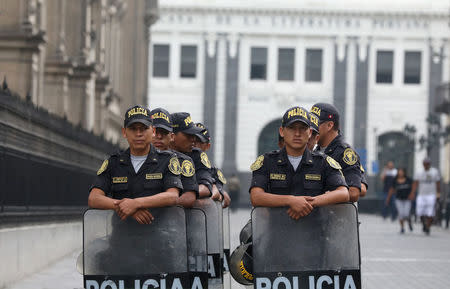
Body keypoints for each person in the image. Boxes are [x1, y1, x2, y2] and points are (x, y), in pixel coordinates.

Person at [250, 106, 349, 220]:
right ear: (282, 132)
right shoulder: (267, 161)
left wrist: (310, 203)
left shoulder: (323, 162)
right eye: (292, 128)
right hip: (276, 233)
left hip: (314, 234)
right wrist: (290, 201)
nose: (297, 133)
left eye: (302, 128)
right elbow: (256, 196)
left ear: (310, 132)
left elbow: (343, 193)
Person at [88, 105, 183, 224]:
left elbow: (172, 196)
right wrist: (126, 207)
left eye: (143, 128)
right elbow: (94, 198)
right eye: (133, 129)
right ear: (124, 132)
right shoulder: (114, 162)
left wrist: (136, 204)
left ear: (153, 131)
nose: (138, 134)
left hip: (158, 236)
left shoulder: (167, 160)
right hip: (122, 237)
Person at [310, 103, 362, 202]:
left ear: (329, 125)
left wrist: (323, 197)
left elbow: (353, 193)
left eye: (315, 124)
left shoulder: (345, 153)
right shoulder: (316, 151)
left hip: (338, 216)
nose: (310, 129)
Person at [150, 108, 198, 208]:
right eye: (155, 131)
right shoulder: (131, 159)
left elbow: (189, 197)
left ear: (171, 136)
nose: (159, 136)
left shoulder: (183, 161)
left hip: (171, 220)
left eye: (163, 132)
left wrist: (155, 207)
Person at [171, 112, 218, 200]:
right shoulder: (155, 154)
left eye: (193, 135)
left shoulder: (196, 155)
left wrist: (189, 194)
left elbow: (206, 187)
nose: (193, 140)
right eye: (188, 135)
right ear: (172, 135)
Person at [194, 122, 231, 208]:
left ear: (207, 146)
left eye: (199, 142)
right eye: (192, 140)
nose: (194, 144)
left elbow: (219, 195)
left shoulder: (214, 172)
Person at [411, 158, 441, 235]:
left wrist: (438, 193)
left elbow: (438, 183)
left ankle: (428, 226)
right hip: (421, 194)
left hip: (431, 194)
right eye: (425, 163)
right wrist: (413, 193)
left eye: (427, 163)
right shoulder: (419, 172)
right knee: (420, 212)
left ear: (429, 164)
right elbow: (415, 183)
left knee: (430, 212)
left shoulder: (434, 172)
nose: (426, 165)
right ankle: (424, 224)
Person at [385, 168, 414, 233]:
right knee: (401, 214)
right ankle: (402, 227)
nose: (400, 173)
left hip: (407, 199)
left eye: (402, 172)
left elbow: (413, 187)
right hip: (399, 199)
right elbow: (391, 189)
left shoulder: (408, 180)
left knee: (406, 213)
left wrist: (412, 194)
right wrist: (388, 199)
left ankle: (409, 221)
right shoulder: (395, 180)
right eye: (399, 172)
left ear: (404, 172)